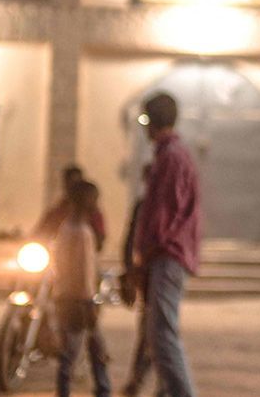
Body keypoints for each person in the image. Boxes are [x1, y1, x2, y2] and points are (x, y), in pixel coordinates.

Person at [133, 93, 201, 397]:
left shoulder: (173, 156)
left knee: (162, 335)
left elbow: (165, 214)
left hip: (167, 255)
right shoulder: (168, 155)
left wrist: (144, 253)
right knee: (156, 334)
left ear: (152, 121)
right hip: (164, 254)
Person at [53, 179, 112, 397]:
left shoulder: (65, 229)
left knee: (85, 350)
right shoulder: (83, 233)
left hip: (65, 297)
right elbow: (85, 273)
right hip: (81, 302)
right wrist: (89, 305)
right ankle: (100, 390)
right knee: (80, 353)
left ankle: (101, 389)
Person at [119, 165, 155, 397]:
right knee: (150, 330)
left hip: (159, 276)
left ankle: (139, 377)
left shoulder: (165, 208)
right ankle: (138, 377)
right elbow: (130, 240)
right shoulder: (143, 206)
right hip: (147, 276)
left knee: (154, 331)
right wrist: (129, 273)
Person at [36, 164, 108, 252]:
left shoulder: (93, 215)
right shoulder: (57, 211)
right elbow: (41, 232)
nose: (71, 188)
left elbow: (98, 242)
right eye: (68, 183)